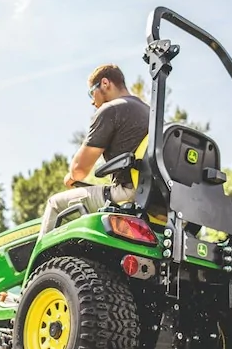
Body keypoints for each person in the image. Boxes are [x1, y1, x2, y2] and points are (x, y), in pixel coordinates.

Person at [39, 64, 150, 235]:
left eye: (92, 92)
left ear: (105, 83)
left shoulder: (111, 109)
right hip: (155, 197)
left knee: (55, 204)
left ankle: (43, 262)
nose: (92, 101)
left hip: (128, 193)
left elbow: (79, 170)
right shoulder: (150, 112)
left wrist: (71, 177)